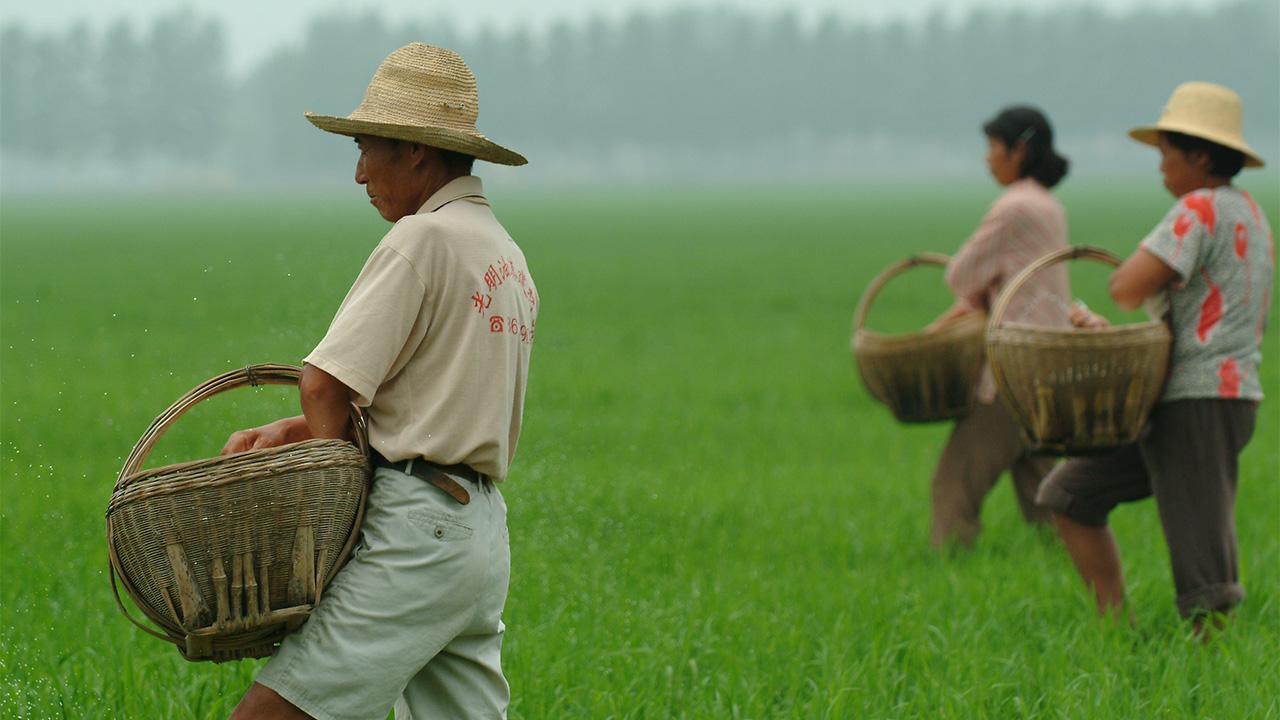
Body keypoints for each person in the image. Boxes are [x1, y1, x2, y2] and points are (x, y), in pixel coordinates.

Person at [221, 43, 536, 719]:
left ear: (416, 152)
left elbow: (323, 384)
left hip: (418, 531)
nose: (360, 173)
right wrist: (304, 431)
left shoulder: (422, 241)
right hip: (478, 531)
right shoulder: (504, 255)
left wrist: (332, 490)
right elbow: (435, 404)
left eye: (368, 149)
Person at [1037, 82, 1272, 632]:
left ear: (1201, 155)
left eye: (1167, 151)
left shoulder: (1198, 208)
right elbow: (1186, 313)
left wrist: (1121, 291)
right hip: (1199, 396)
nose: (1161, 164)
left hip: (1198, 399)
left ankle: (1213, 667)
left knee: (1199, 539)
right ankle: (1118, 629)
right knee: (1070, 493)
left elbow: (1125, 285)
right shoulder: (1250, 213)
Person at [928, 106, 1072, 548]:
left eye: (994, 146)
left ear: (1020, 150)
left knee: (954, 484)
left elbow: (961, 275)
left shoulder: (1015, 207)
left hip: (1013, 367)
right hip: (1047, 362)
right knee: (1046, 494)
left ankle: (949, 569)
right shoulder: (1046, 204)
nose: (988, 157)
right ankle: (1073, 572)